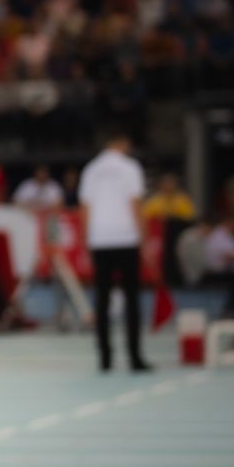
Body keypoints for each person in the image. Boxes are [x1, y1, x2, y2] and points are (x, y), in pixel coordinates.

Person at [78, 131, 152, 373]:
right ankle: (135, 357)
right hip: (126, 238)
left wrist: (87, 241)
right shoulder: (130, 168)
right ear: (124, 142)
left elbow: (85, 208)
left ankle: (105, 358)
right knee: (131, 299)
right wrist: (143, 238)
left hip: (100, 240)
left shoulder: (91, 169)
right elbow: (135, 204)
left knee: (102, 300)